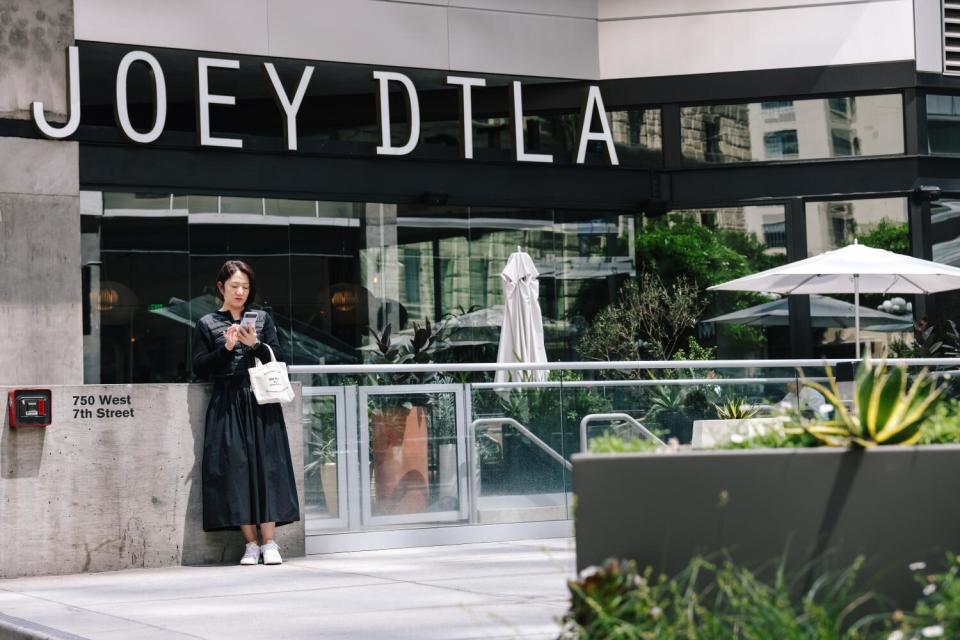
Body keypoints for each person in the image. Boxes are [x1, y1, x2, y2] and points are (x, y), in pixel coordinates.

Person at [192, 260, 300, 566]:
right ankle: (250, 544)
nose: (240, 292)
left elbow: (279, 358)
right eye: (234, 286)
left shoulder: (262, 319)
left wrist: (255, 344)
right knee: (237, 470)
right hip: (227, 402)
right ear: (220, 288)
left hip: (262, 402)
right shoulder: (207, 324)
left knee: (268, 468)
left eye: (245, 287)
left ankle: (270, 542)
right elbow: (199, 367)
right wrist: (225, 349)